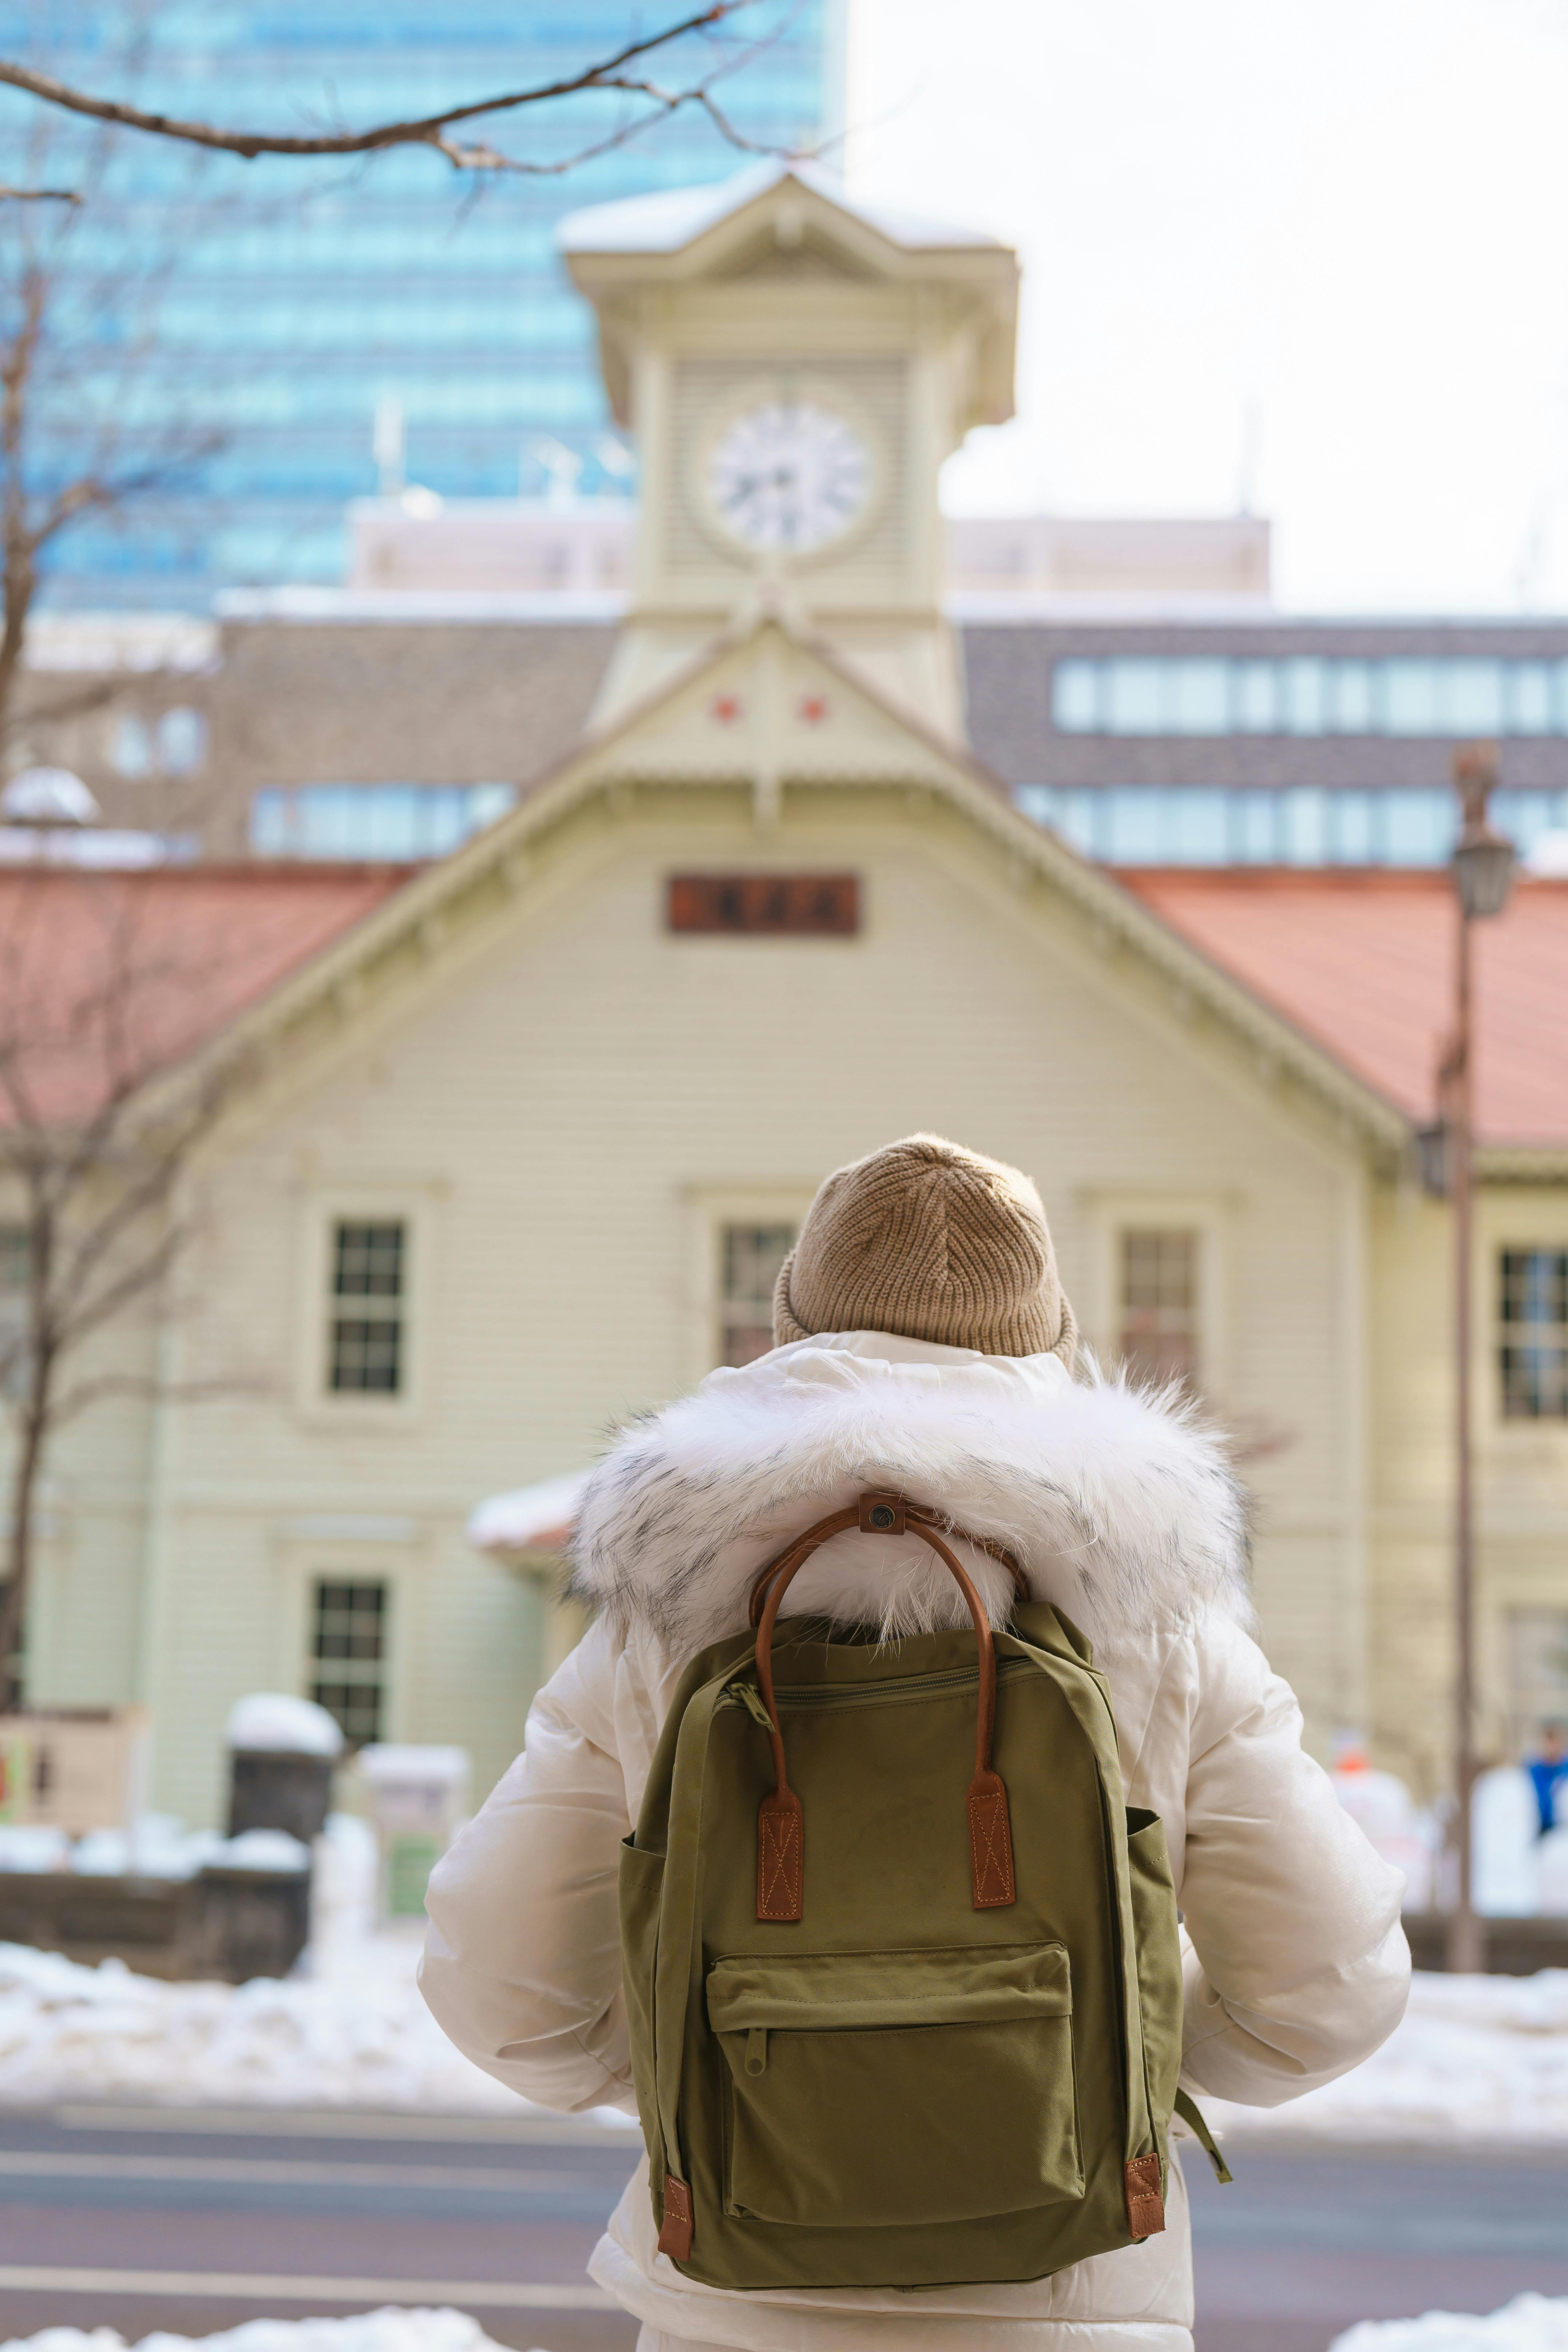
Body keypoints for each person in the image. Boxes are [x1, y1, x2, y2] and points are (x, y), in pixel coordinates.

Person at [421, 1133, 1410, 2352]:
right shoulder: (1159, 1616)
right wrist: (1092, 2053)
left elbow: (501, 1990)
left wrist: (743, 2056)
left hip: (733, 2309)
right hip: (1069, 2307)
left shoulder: (660, 1617)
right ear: (1046, 1339)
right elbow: (1326, 1990)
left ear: (788, 1327)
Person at [1527, 1721, 1568, 1838]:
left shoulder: (1565, 1769)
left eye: (1555, 1742)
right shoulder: (1533, 1771)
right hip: (1540, 1831)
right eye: (1549, 1742)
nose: (1552, 1747)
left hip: (1561, 1833)